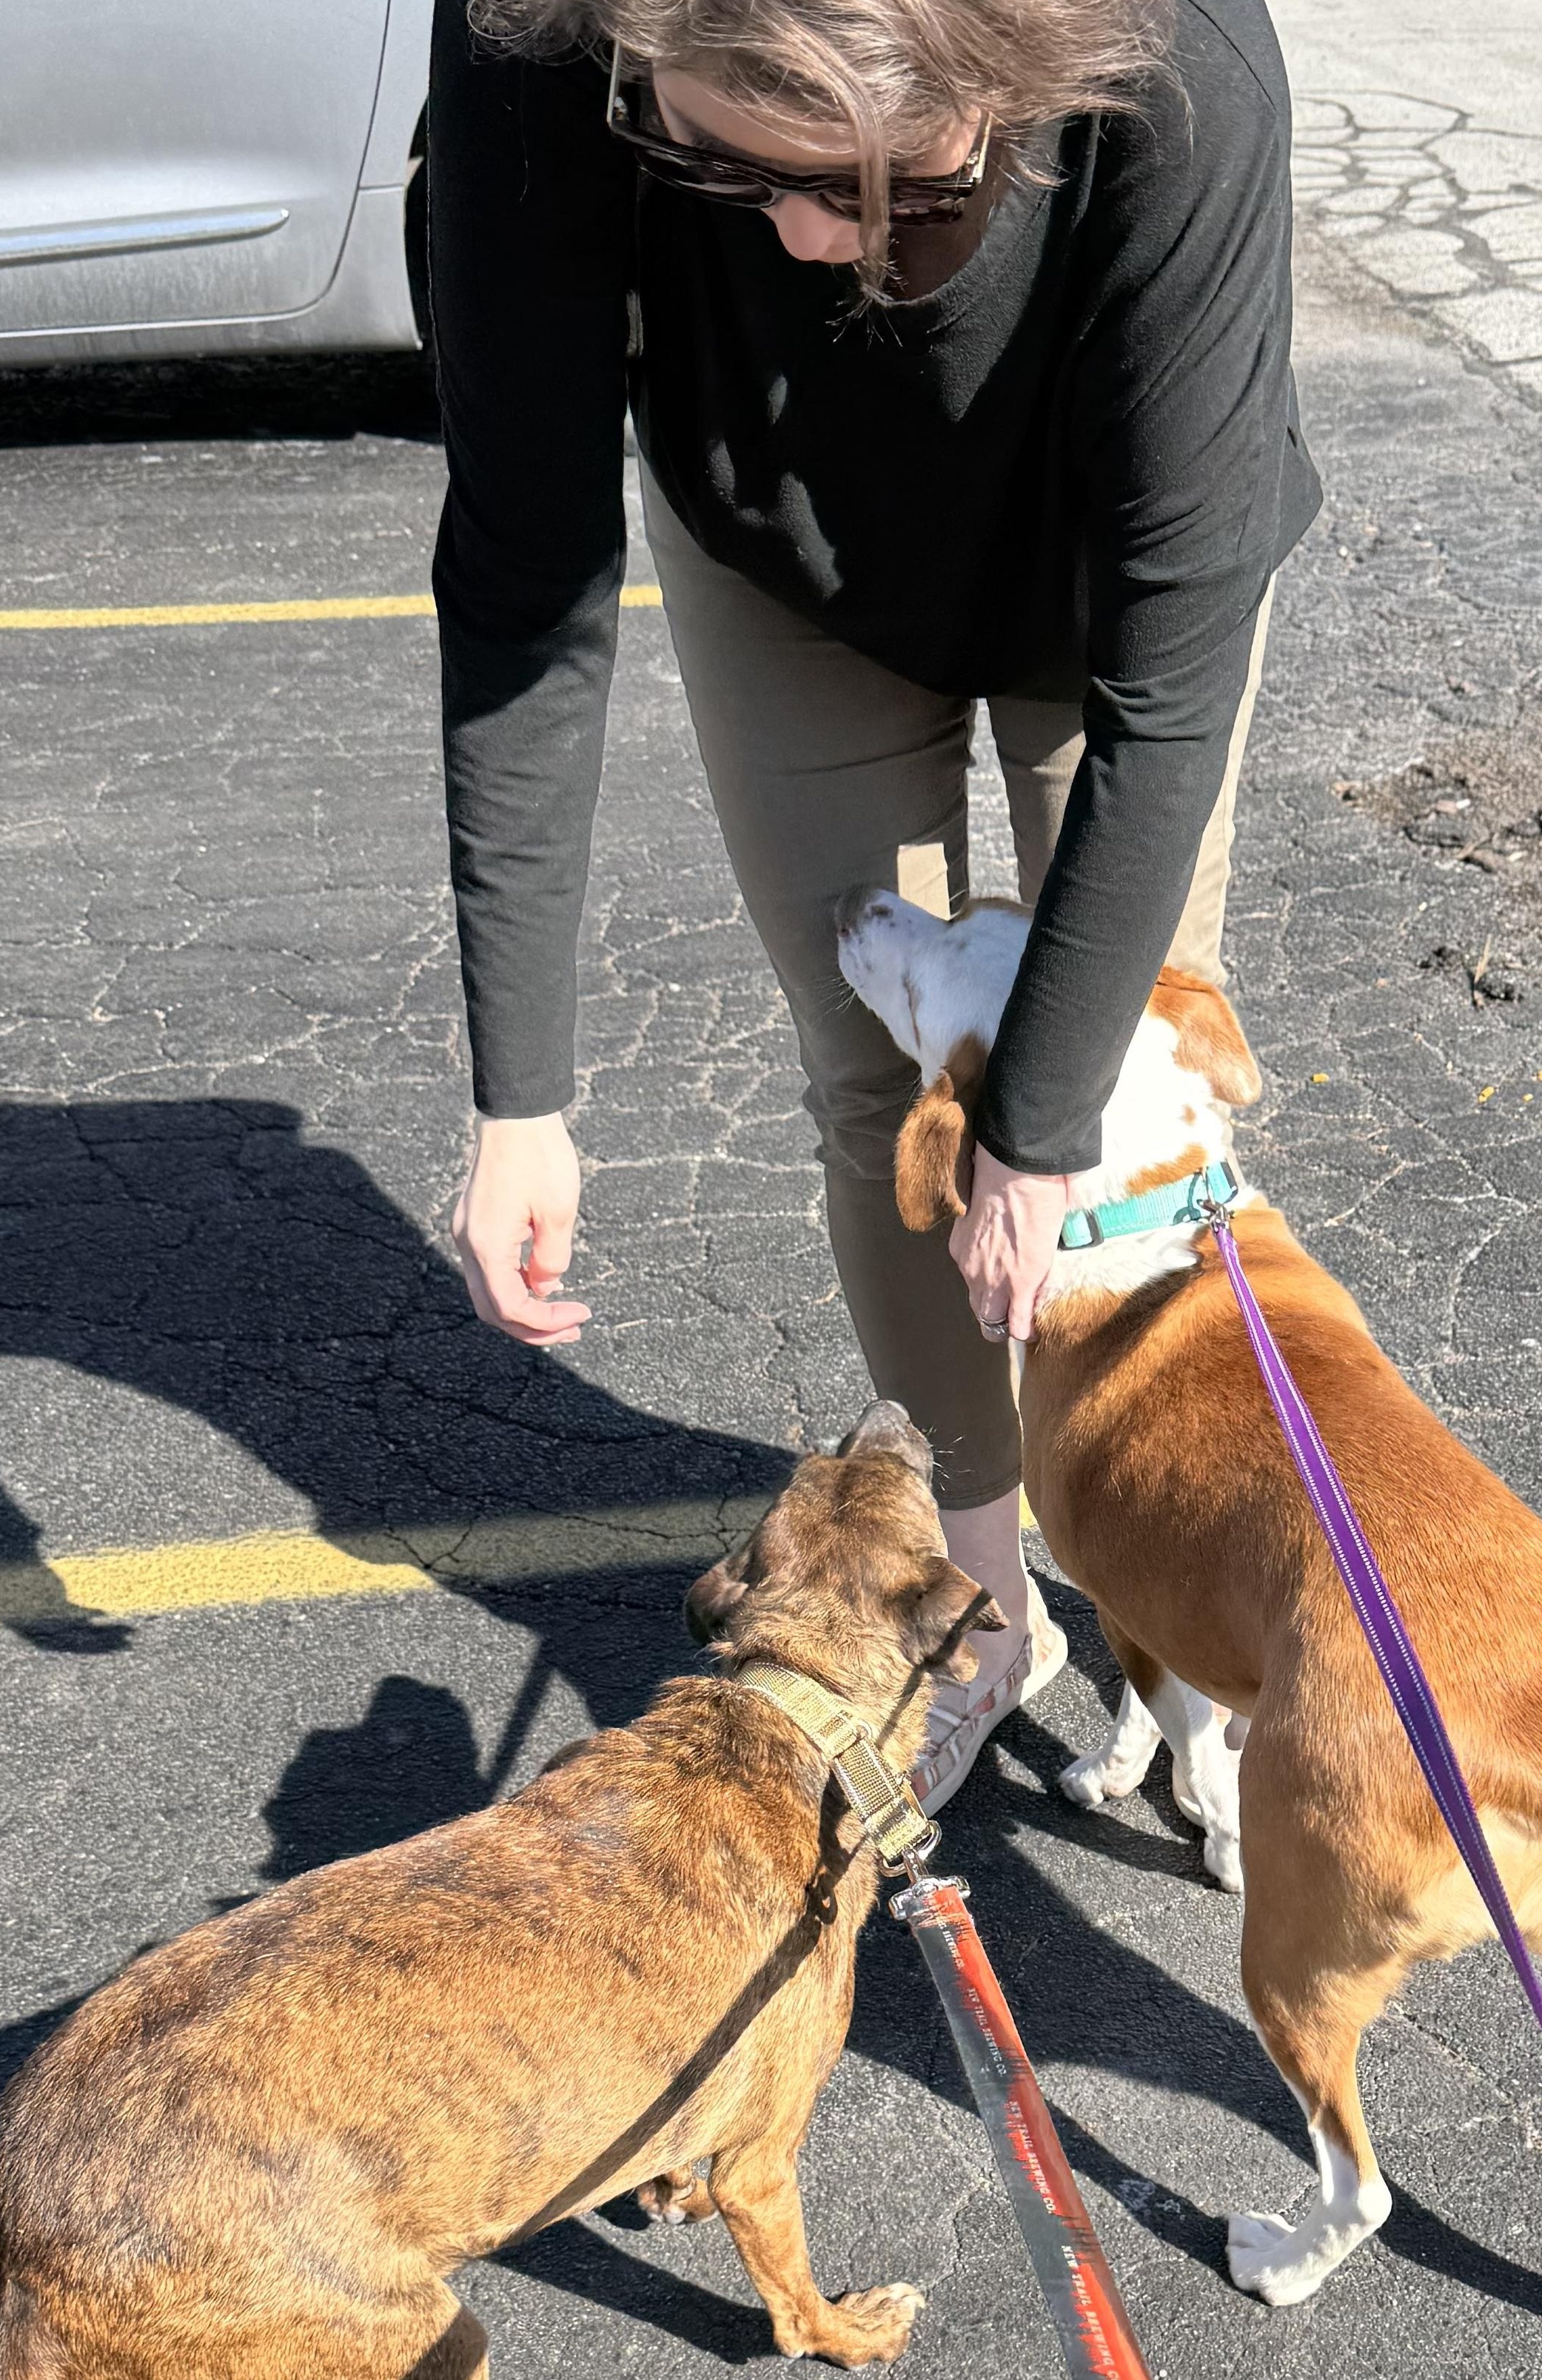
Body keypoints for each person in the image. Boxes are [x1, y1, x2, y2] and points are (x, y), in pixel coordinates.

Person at [426, 0, 1319, 1806]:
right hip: (786, 549)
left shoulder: (1183, 65)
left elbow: (1171, 673)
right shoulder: (537, 32)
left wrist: (1050, 1108)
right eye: (711, 170)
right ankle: (985, 1606)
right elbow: (524, 570)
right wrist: (518, 1097)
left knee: (1109, 1100)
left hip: (1108, 576)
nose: (809, 243)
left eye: (884, 194)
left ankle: (1182, 1614)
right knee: (883, 1099)